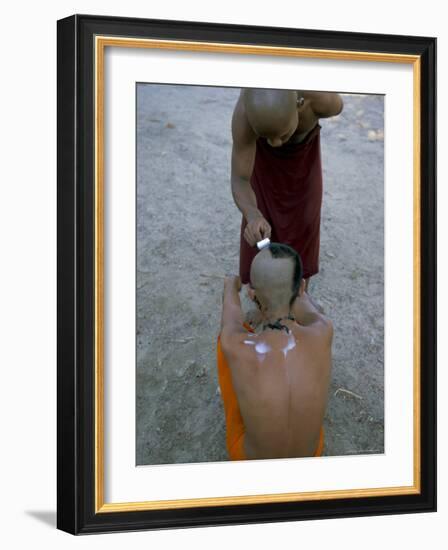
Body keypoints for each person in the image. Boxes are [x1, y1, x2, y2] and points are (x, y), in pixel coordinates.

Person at [217, 243, 333, 460]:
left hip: (253, 466)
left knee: (222, 344)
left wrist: (230, 285)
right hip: (311, 456)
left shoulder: (235, 345)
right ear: (301, 288)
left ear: (252, 294)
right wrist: (290, 287)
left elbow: (230, 318)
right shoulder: (324, 331)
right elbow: (308, 309)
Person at [231, 88, 343, 288]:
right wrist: (253, 214)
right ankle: (261, 296)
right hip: (262, 165)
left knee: (304, 223)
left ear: (299, 106)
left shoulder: (320, 100)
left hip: (303, 163)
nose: (275, 143)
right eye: (266, 136)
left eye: (282, 135)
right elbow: (240, 179)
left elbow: (338, 106)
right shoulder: (244, 115)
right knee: (260, 233)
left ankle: (299, 293)